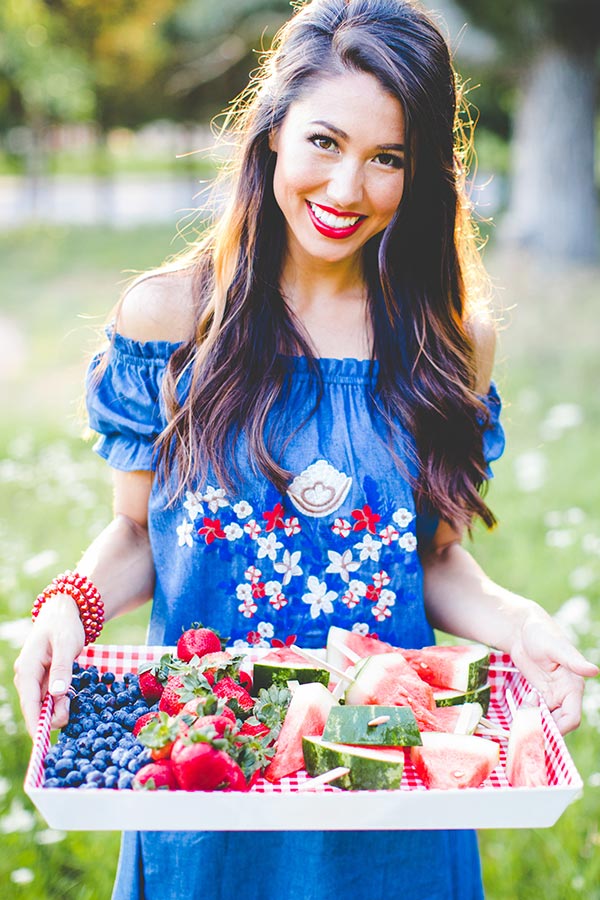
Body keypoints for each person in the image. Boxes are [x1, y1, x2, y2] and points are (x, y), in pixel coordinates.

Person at [15, 1, 597, 898]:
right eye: (325, 142)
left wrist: (523, 627)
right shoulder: (171, 321)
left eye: (388, 159)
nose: (347, 189)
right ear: (273, 134)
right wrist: (71, 605)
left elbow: (434, 560)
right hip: (208, 785)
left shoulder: (451, 342)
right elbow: (135, 533)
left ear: (423, 173)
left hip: (391, 800)